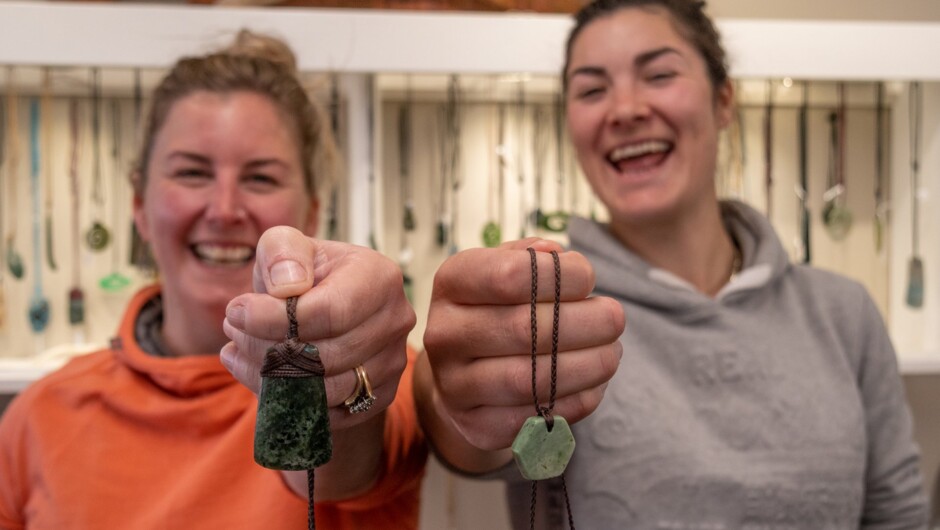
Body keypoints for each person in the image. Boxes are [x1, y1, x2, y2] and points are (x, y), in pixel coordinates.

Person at [417, 0, 929, 528]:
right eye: (592, 90)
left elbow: (896, 512)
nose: (625, 109)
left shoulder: (843, 313)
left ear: (723, 99)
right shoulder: (556, 315)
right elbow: (461, 432)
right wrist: (449, 383)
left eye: (658, 75)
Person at [0, 30, 426, 529]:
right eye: (192, 173)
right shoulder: (41, 414)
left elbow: (349, 469)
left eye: (261, 178)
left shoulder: (377, 370)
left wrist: (339, 390)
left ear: (311, 211)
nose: (224, 210)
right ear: (139, 205)